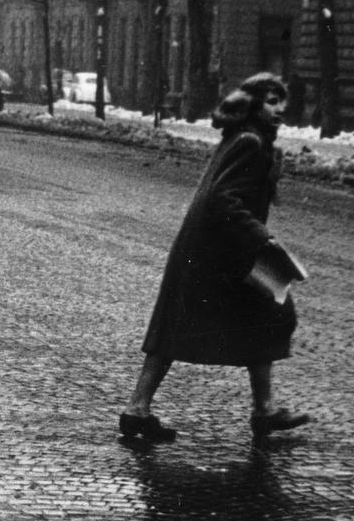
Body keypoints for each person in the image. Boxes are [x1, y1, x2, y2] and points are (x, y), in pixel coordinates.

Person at [119, 71, 310, 446]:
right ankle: (262, 411)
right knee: (265, 316)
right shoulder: (251, 142)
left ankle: (138, 410)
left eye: (282, 102)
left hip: (212, 251)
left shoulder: (246, 138)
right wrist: (263, 237)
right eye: (272, 101)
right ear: (254, 103)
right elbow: (222, 198)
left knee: (182, 327)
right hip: (218, 255)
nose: (280, 110)